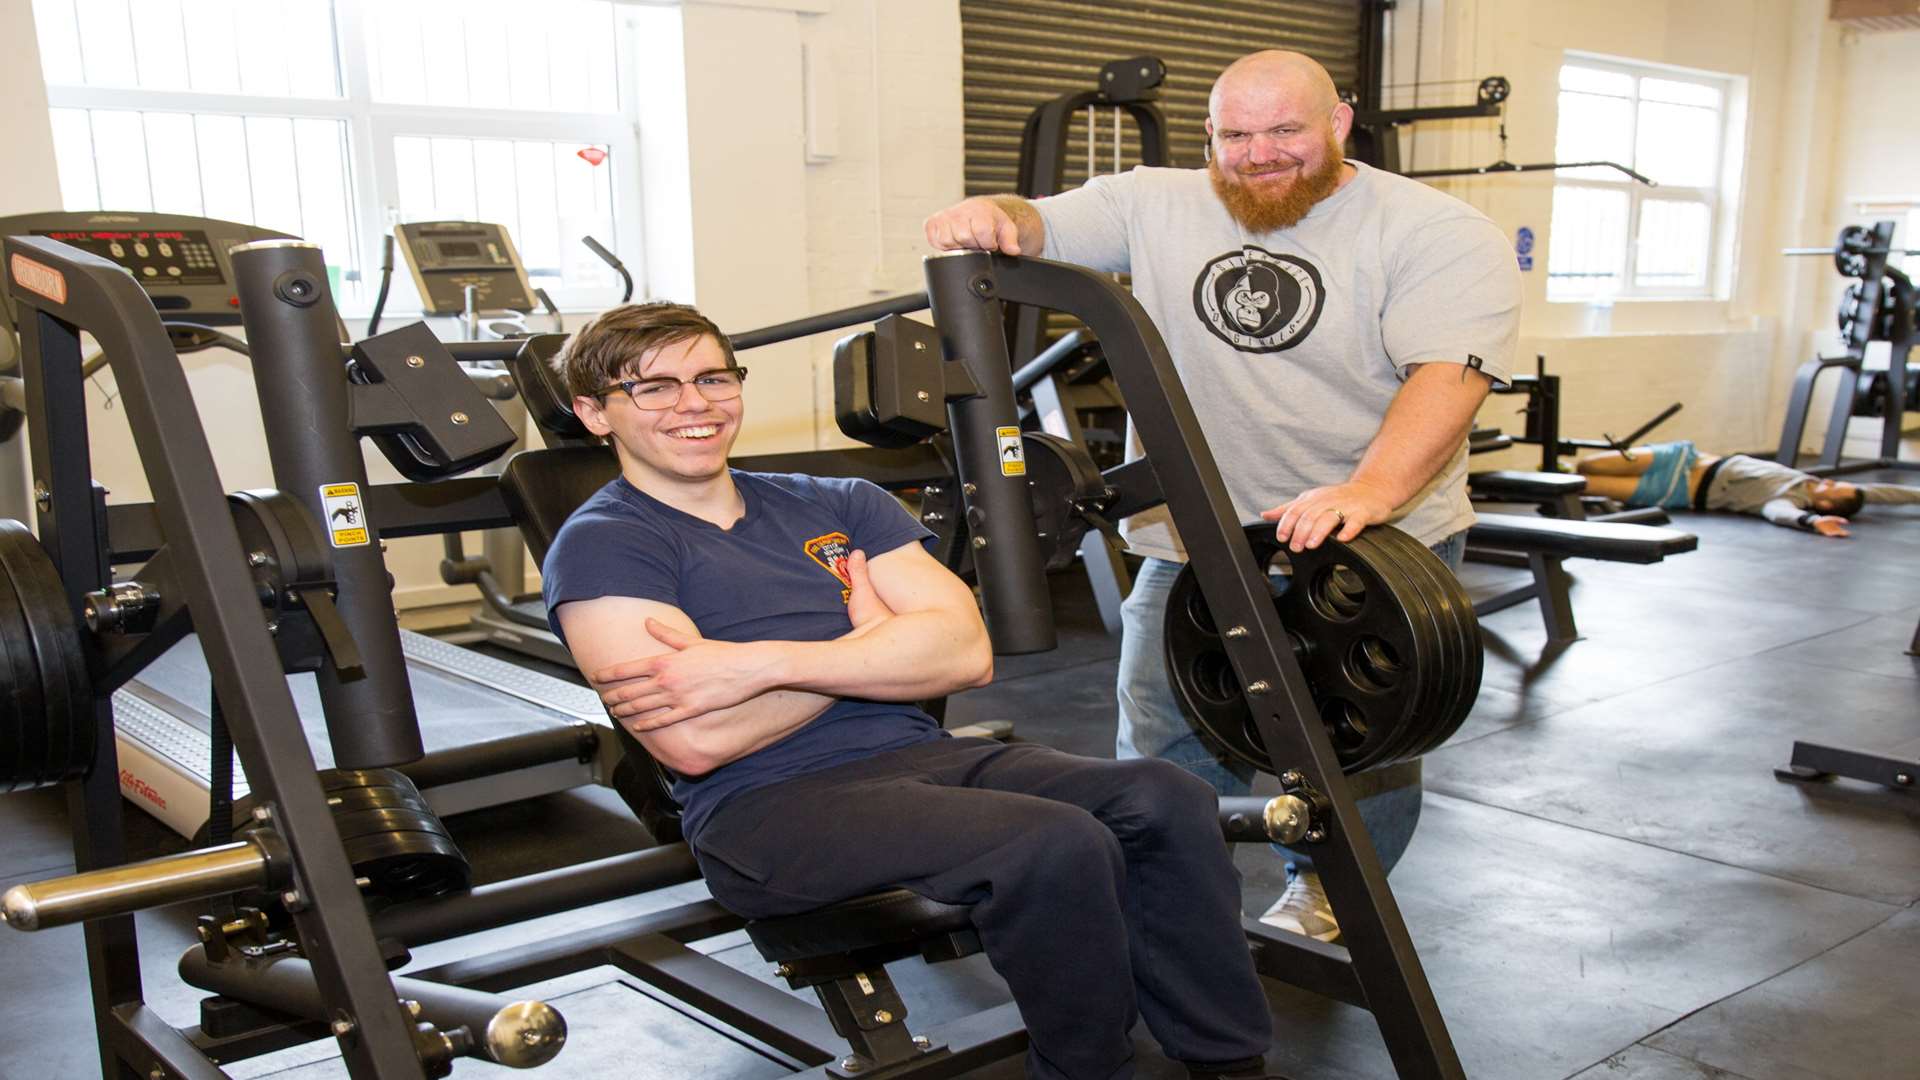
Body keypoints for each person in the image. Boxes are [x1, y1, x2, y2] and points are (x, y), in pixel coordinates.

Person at [540, 302, 1279, 1080]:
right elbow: (696, 741)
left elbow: (965, 652)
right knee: (1051, 842)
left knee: (1165, 795)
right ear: (596, 413)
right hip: (764, 808)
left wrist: (759, 665)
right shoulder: (603, 547)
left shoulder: (837, 501)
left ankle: (1227, 1061)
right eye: (653, 388)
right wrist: (870, 644)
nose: (695, 404)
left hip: (915, 757)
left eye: (712, 377)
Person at [922, 48, 1522, 943]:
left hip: (1367, 532)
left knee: (1357, 742)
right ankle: (1165, 886)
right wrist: (990, 214)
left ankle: (1331, 895)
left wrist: (1371, 489)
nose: (1259, 153)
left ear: (1339, 123)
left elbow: (1448, 375)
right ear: (1211, 133)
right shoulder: (1155, 202)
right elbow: (1035, 223)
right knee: (1166, 726)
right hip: (1195, 529)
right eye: (1236, 134)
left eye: (1286, 130)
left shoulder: (1434, 230)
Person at [1575, 440, 1920, 536]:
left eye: (1834, 489)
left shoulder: (1790, 499)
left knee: (1581, 482)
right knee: (1587, 463)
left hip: (1675, 489)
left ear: (1828, 506)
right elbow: (1878, 492)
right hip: (1684, 458)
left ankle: (1545, 487)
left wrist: (1812, 523)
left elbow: (1779, 514)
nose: (1828, 482)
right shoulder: (1808, 481)